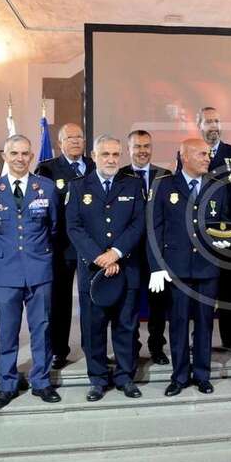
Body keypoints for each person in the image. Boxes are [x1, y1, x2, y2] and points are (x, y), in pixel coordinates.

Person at [0, 135, 61, 409]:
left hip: (39, 269)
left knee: (42, 328)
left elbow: (54, 227)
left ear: (31, 156)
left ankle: (41, 381)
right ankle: (7, 384)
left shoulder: (45, 188)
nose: (20, 159)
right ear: (6, 156)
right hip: (6, 271)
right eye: (14, 153)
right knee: (7, 331)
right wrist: (5, 251)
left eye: (25, 153)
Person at [148, 138, 231, 396]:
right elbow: (154, 229)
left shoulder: (218, 187)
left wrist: (225, 241)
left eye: (208, 154)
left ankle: (202, 375)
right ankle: (180, 376)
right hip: (176, 269)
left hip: (207, 269)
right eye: (201, 154)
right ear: (184, 157)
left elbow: (226, 224)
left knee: (205, 324)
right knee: (179, 323)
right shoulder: (164, 186)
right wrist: (157, 267)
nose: (208, 158)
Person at [66, 135, 145, 401]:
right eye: (105, 155)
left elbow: (138, 224)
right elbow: (74, 227)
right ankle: (98, 379)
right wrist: (99, 257)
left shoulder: (133, 185)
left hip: (126, 267)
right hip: (93, 270)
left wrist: (116, 253)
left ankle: (125, 377)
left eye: (115, 155)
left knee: (126, 326)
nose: (111, 160)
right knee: (93, 327)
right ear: (94, 155)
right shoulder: (78, 187)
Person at [35, 122, 95, 370]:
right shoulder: (47, 169)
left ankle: (93, 349)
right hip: (60, 247)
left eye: (79, 136)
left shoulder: (94, 167)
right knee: (59, 301)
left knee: (91, 299)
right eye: (69, 137)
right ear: (60, 142)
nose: (75, 141)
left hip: (91, 245)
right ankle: (59, 350)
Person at [193, 107, 231, 353]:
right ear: (199, 125)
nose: (213, 125)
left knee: (229, 291)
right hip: (202, 236)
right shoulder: (189, 152)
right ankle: (200, 339)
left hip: (229, 235)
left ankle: (230, 337)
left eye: (217, 120)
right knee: (201, 292)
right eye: (208, 121)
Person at [119, 129, 172, 365]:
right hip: (129, 254)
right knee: (128, 305)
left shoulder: (166, 176)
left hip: (158, 253)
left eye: (146, 146)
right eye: (137, 146)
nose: (142, 151)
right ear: (128, 149)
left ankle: (157, 346)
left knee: (158, 305)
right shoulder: (119, 175)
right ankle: (131, 347)